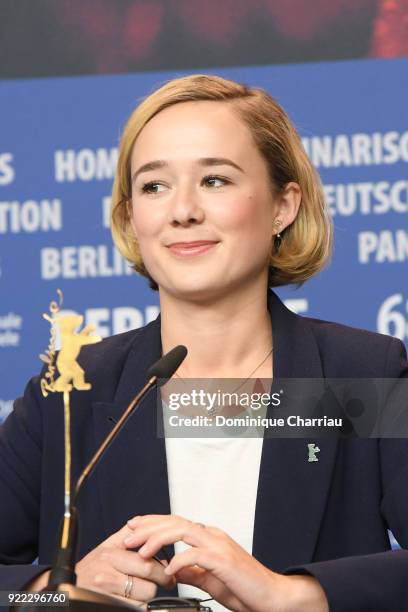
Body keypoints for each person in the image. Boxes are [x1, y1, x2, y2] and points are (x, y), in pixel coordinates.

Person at [1, 74, 407, 612]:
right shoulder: (69, 392)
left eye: (215, 180)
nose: (183, 210)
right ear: (131, 219)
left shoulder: (361, 376)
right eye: (154, 185)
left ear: (283, 206)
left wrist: (297, 596)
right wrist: (50, 593)